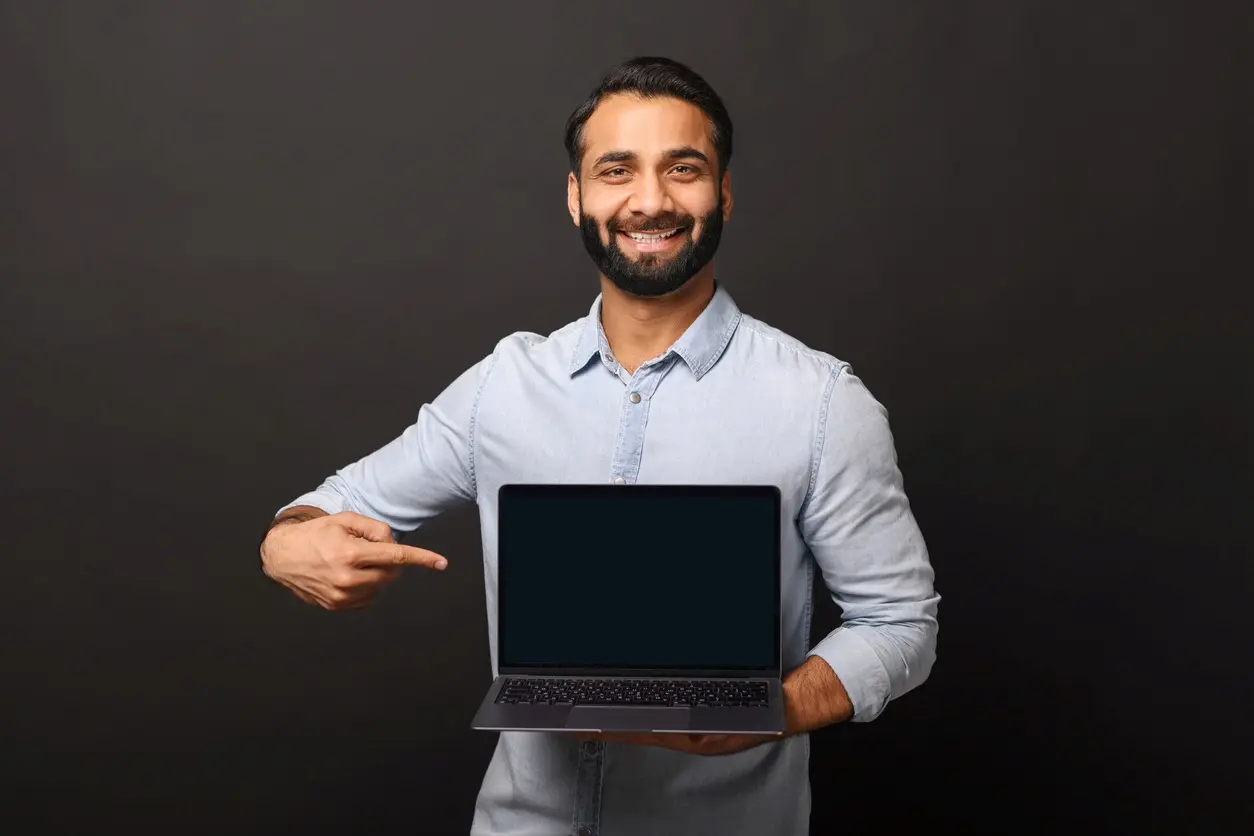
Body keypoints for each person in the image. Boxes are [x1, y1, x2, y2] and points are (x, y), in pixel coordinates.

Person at [260, 56, 939, 836]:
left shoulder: (822, 403)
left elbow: (901, 624)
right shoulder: (502, 387)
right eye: (617, 170)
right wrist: (286, 545)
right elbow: (321, 509)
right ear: (577, 197)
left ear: (724, 191)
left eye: (682, 169)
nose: (649, 200)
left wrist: (776, 710)